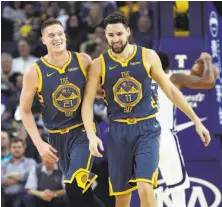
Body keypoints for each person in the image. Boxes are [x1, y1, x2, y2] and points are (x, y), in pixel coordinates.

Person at [81, 12, 211, 207]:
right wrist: (91, 135)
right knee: (122, 198)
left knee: (145, 187)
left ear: (128, 32)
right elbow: (87, 102)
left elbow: (171, 91)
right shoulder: (99, 64)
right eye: (111, 35)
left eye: (119, 34)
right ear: (106, 36)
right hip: (118, 132)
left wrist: (196, 121)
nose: (115, 39)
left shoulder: (147, 55)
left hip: (147, 130)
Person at [20, 18, 105, 207]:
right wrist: (39, 143)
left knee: (74, 188)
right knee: (79, 193)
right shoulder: (34, 72)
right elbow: (24, 111)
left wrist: (106, 91)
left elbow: (97, 92)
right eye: (51, 35)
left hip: (82, 131)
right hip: (56, 138)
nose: (57, 38)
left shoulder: (83, 60)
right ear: (43, 40)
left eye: (60, 33)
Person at [154, 51, 215, 207]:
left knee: (146, 187)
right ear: (167, 67)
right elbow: (208, 81)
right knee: (177, 187)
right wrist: (207, 60)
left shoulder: (138, 80)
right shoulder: (172, 78)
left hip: (141, 137)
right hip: (164, 136)